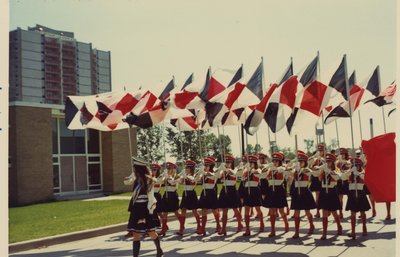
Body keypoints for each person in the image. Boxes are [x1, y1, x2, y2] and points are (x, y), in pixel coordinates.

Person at [126, 158, 163, 257]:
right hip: (136, 208)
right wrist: (131, 177)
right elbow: (126, 182)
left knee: (151, 231)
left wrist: (150, 209)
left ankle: (159, 250)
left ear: (139, 168)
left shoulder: (149, 179)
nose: (133, 170)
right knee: (136, 233)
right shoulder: (135, 179)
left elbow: (150, 195)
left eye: (134, 168)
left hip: (145, 208)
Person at [289, 151, 316, 238]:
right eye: (299, 162)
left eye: (302, 162)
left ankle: (311, 224)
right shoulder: (295, 170)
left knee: (307, 212)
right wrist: (293, 166)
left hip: (304, 191)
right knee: (296, 212)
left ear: (305, 162)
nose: (300, 163)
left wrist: (299, 169)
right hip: (297, 191)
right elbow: (288, 172)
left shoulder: (306, 170)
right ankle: (296, 232)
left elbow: (310, 173)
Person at [342, 158, 370, 239]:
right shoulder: (350, 173)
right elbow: (343, 177)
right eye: (354, 165)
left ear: (360, 166)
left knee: (362, 212)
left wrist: (357, 172)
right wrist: (350, 171)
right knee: (352, 213)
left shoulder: (362, 172)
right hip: (352, 193)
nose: (356, 167)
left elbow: (364, 177)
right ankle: (353, 231)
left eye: (357, 165)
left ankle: (364, 227)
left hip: (360, 193)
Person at [264, 152, 290, 237]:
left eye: (276, 161)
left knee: (281, 211)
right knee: (272, 211)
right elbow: (265, 176)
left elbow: (283, 170)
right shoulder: (270, 169)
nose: (274, 162)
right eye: (273, 161)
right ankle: (273, 230)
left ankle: (286, 223)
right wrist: (268, 168)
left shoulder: (282, 168)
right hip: (271, 189)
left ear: (279, 162)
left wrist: (275, 169)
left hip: (279, 189)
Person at [318, 153, 342, 240]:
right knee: (324, 212)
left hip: (332, 191)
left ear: (333, 162)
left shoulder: (336, 170)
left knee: (334, 212)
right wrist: (322, 170)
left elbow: (337, 178)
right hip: (324, 191)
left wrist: (329, 171)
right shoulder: (323, 169)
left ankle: (339, 225)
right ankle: (324, 233)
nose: (328, 163)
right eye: (326, 161)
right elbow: (319, 178)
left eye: (329, 162)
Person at [217, 154, 243, 235]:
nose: (227, 163)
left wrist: (225, 169)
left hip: (232, 190)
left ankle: (239, 224)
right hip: (224, 190)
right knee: (224, 210)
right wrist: (221, 171)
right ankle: (224, 228)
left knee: (235, 209)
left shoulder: (235, 169)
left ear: (232, 163)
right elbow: (219, 177)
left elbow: (233, 173)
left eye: (229, 162)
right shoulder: (224, 170)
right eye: (226, 162)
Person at [196, 156, 221, 235]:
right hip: (204, 192)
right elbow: (198, 180)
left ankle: (218, 224)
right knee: (204, 210)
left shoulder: (215, 171)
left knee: (214, 210)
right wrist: (200, 173)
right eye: (205, 165)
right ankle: (203, 228)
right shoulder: (204, 173)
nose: (205, 167)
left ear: (211, 166)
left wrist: (207, 173)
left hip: (211, 192)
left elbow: (215, 177)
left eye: (207, 166)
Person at [241, 155, 264, 236]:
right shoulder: (246, 171)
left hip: (255, 190)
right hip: (247, 190)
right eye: (249, 162)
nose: (250, 164)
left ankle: (261, 224)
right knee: (246, 208)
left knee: (257, 208)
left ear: (255, 163)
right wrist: (246, 170)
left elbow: (258, 173)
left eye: (252, 163)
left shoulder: (258, 170)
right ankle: (247, 229)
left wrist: (251, 170)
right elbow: (242, 178)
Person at [177, 160, 201, 235]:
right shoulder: (185, 174)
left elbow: (193, 181)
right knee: (183, 210)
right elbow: (180, 182)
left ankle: (199, 226)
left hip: (191, 193)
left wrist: (186, 176)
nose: (186, 169)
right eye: (186, 167)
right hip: (185, 193)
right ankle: (181, 228)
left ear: (192, 168)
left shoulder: (196, 175)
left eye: (188, 167)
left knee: (194, 210)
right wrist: (181, 177)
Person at [159, 162, 180, 236]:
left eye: (169, 168)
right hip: (166, 194)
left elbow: (173, 183)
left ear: (173, 169)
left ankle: (181, 226)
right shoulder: (166, 176)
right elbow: (160, 182)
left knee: (176, 212)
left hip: (173, 195)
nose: (168, 170)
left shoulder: (177, 177)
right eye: (167, 168)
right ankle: (163, 229)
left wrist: (167, 177)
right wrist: (162, 177)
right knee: (165, 212)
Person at [309, 144, 326, 218]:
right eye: (319, 150)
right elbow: (309, 164)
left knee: (325, 196)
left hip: (324, 179)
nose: (320, 152)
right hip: (316, 179)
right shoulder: (315, 159)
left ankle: (326, 210)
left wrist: (322, 159)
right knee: (317, 196)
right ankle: (318, 212)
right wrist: (314, 157)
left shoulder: (326, 159)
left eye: (321, 151)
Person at [336, 148, 351, 219]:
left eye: (343, 154)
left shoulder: (349, 161)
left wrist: (344, 162)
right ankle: (340, 212)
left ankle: (352, 211)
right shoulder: (338, 162)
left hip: (347, 181)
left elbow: (350, 167)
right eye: (341, 154)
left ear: (346, 154)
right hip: (339, 181)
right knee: (339, 198)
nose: (342, 155)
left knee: (350, 197)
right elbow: (335, 170)